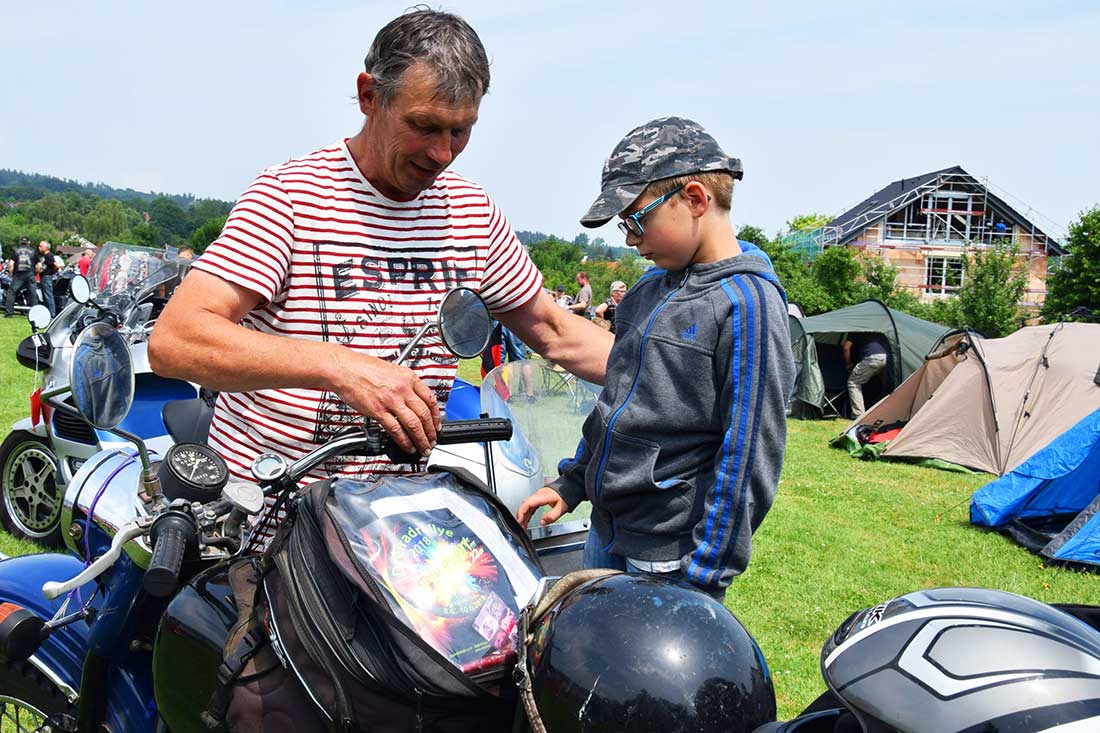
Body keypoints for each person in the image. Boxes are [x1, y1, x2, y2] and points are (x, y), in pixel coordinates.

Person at [148, 9, 612, 540]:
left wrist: (672, 366)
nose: (442, 153)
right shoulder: (292, 197)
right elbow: (176, 340)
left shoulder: (469, 212)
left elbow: (554, 330)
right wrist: (338, 365)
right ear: (370, 95)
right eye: (423, 125)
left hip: (388, 529)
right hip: (266, 525)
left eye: (461, 130)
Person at [516, 117, 795, 600]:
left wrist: (703, 576)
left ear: (694, 199)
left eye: (634, 219)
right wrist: (572, 482)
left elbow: (749, 454)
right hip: (605, 535)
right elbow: (614, 406)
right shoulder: (646, 291)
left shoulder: (747, 304)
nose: (628, 239)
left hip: (670, 559)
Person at [842, 332, 888, 417]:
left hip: (872, 358)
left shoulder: (856, 329)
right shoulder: (878, 328)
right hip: (887, 358)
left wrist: (848, 364)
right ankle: (885, 413)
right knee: (886, 386)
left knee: (853, 382)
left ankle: (858, 415)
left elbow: (846, 347)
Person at [5, 237, 38, 318]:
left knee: (11, 292)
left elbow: (10, 264)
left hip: (19, 274)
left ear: (21, 242)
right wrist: (35, 273)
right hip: (30, 273)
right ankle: (36, 313)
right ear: (28, 242)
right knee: (33, 294)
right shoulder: (33, 251)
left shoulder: (16, 250)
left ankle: (9, 313)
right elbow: (39, 266)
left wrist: (10, 274)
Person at [33, 240, 59, 317]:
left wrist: (51, 272)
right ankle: (47, 313)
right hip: (43, 277)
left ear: (46, 247)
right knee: (45, 296)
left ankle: (52, 314)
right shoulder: (44, 256)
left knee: (48, 296)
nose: (39, 247)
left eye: (41, 246)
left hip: (47, 277)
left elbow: (56, 266)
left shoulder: (49, 255)